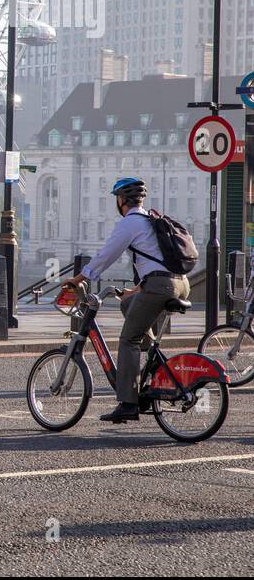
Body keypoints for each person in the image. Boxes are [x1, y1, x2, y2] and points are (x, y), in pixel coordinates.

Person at [65, 177, 191, 423]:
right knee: (127, 304)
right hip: (180, 283)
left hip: (160, 286)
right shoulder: (149, 219)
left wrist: (81, 276)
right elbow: (154, 261)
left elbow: (107, 254)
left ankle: (128, 403)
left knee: (128, 340)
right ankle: (154, 363)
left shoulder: (130, 222)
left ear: (121, 200)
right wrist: (134, 291)